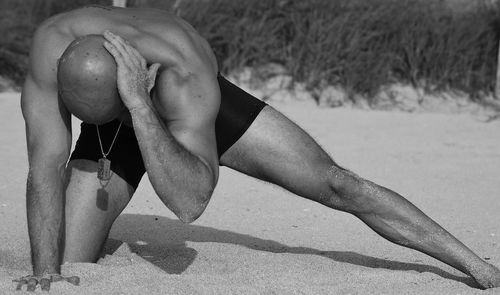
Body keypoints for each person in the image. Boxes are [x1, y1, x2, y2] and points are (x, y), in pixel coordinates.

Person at [16, 5, 500, 292]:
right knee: (66, 265)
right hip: (119, 98)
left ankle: (476, 266)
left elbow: (191, 201)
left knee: (335, 182)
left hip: (170, 107)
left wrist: (139, 109)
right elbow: (44, 167)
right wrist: (43, 270)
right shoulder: (50, 48)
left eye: (112, 115)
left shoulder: (184, 72)